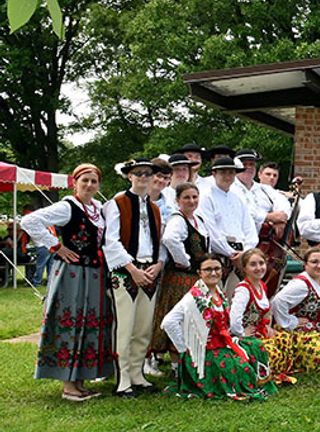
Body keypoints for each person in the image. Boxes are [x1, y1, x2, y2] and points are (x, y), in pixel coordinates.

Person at [21, 164, 115, 402]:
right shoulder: (67, 206)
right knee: (72, 322)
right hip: (72, 274)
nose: (90, 185)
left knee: (89, 322)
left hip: (94, 273)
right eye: (85, 180)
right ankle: (68, 384)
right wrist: (56, 246)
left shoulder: (98, 208)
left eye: (94, 181)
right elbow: (30, 222)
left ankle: (80, 381)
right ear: (75, 182)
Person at [160, 253, 276, 401]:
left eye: (217, 268)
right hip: (206, 351)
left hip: (222, 343)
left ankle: (257, 381)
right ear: (199, 273)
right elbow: (168, 322)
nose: (213, 273)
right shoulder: (193, 297)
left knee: (256, 347)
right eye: (208, 269)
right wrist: (186, 349)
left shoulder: (218, 292)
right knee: (238, 368)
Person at [104, 157, 167, 396]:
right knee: (125, 326)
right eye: (138, 173)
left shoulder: (154, 208)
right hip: (125, 271)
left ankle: (138, 373)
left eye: (147, 174)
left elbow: (159, 241)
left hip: (149, 271)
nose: (143, 177)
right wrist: (132, 269)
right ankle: (123, 379)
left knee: (143, 327)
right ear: (129, 176)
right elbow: (111, 241)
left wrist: (158, 264)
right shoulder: (117, 203)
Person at [151, 183, 214, 366]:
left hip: (195, 277)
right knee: (180, 320)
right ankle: (177, 365)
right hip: (181, 278)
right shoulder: (178, 219)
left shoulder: (198, 220)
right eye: (186, 197)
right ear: (177, 200)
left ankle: (189, 362)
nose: (191, 201)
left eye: (194, 197)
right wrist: (185, 261)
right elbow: (170, 239)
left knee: (192, 321)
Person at [230, 247, 294, 384]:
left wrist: (267, 328)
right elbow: (234, 319)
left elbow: (264, 314)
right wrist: (241, 333)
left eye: (261, 263)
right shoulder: (243, 290)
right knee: (271, 352)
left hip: (258, 332)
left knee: (285, 339)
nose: (259, 268)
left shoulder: (261, 285)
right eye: (253, 264)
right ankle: (264, 375)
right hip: (242, 338)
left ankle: (276, 372)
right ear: (245, 269)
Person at [198, 156, 259, 290]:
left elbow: (250, 229)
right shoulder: (206, 197)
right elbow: (210, 231)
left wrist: (246, 251)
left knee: (238, 299)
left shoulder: (238, 199)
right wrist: (231, 253)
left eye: (231, 172)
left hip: (241, 254)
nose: (228, 176)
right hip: (219, 255)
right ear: (214, 174)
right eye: (223, 172)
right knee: (217, 299)